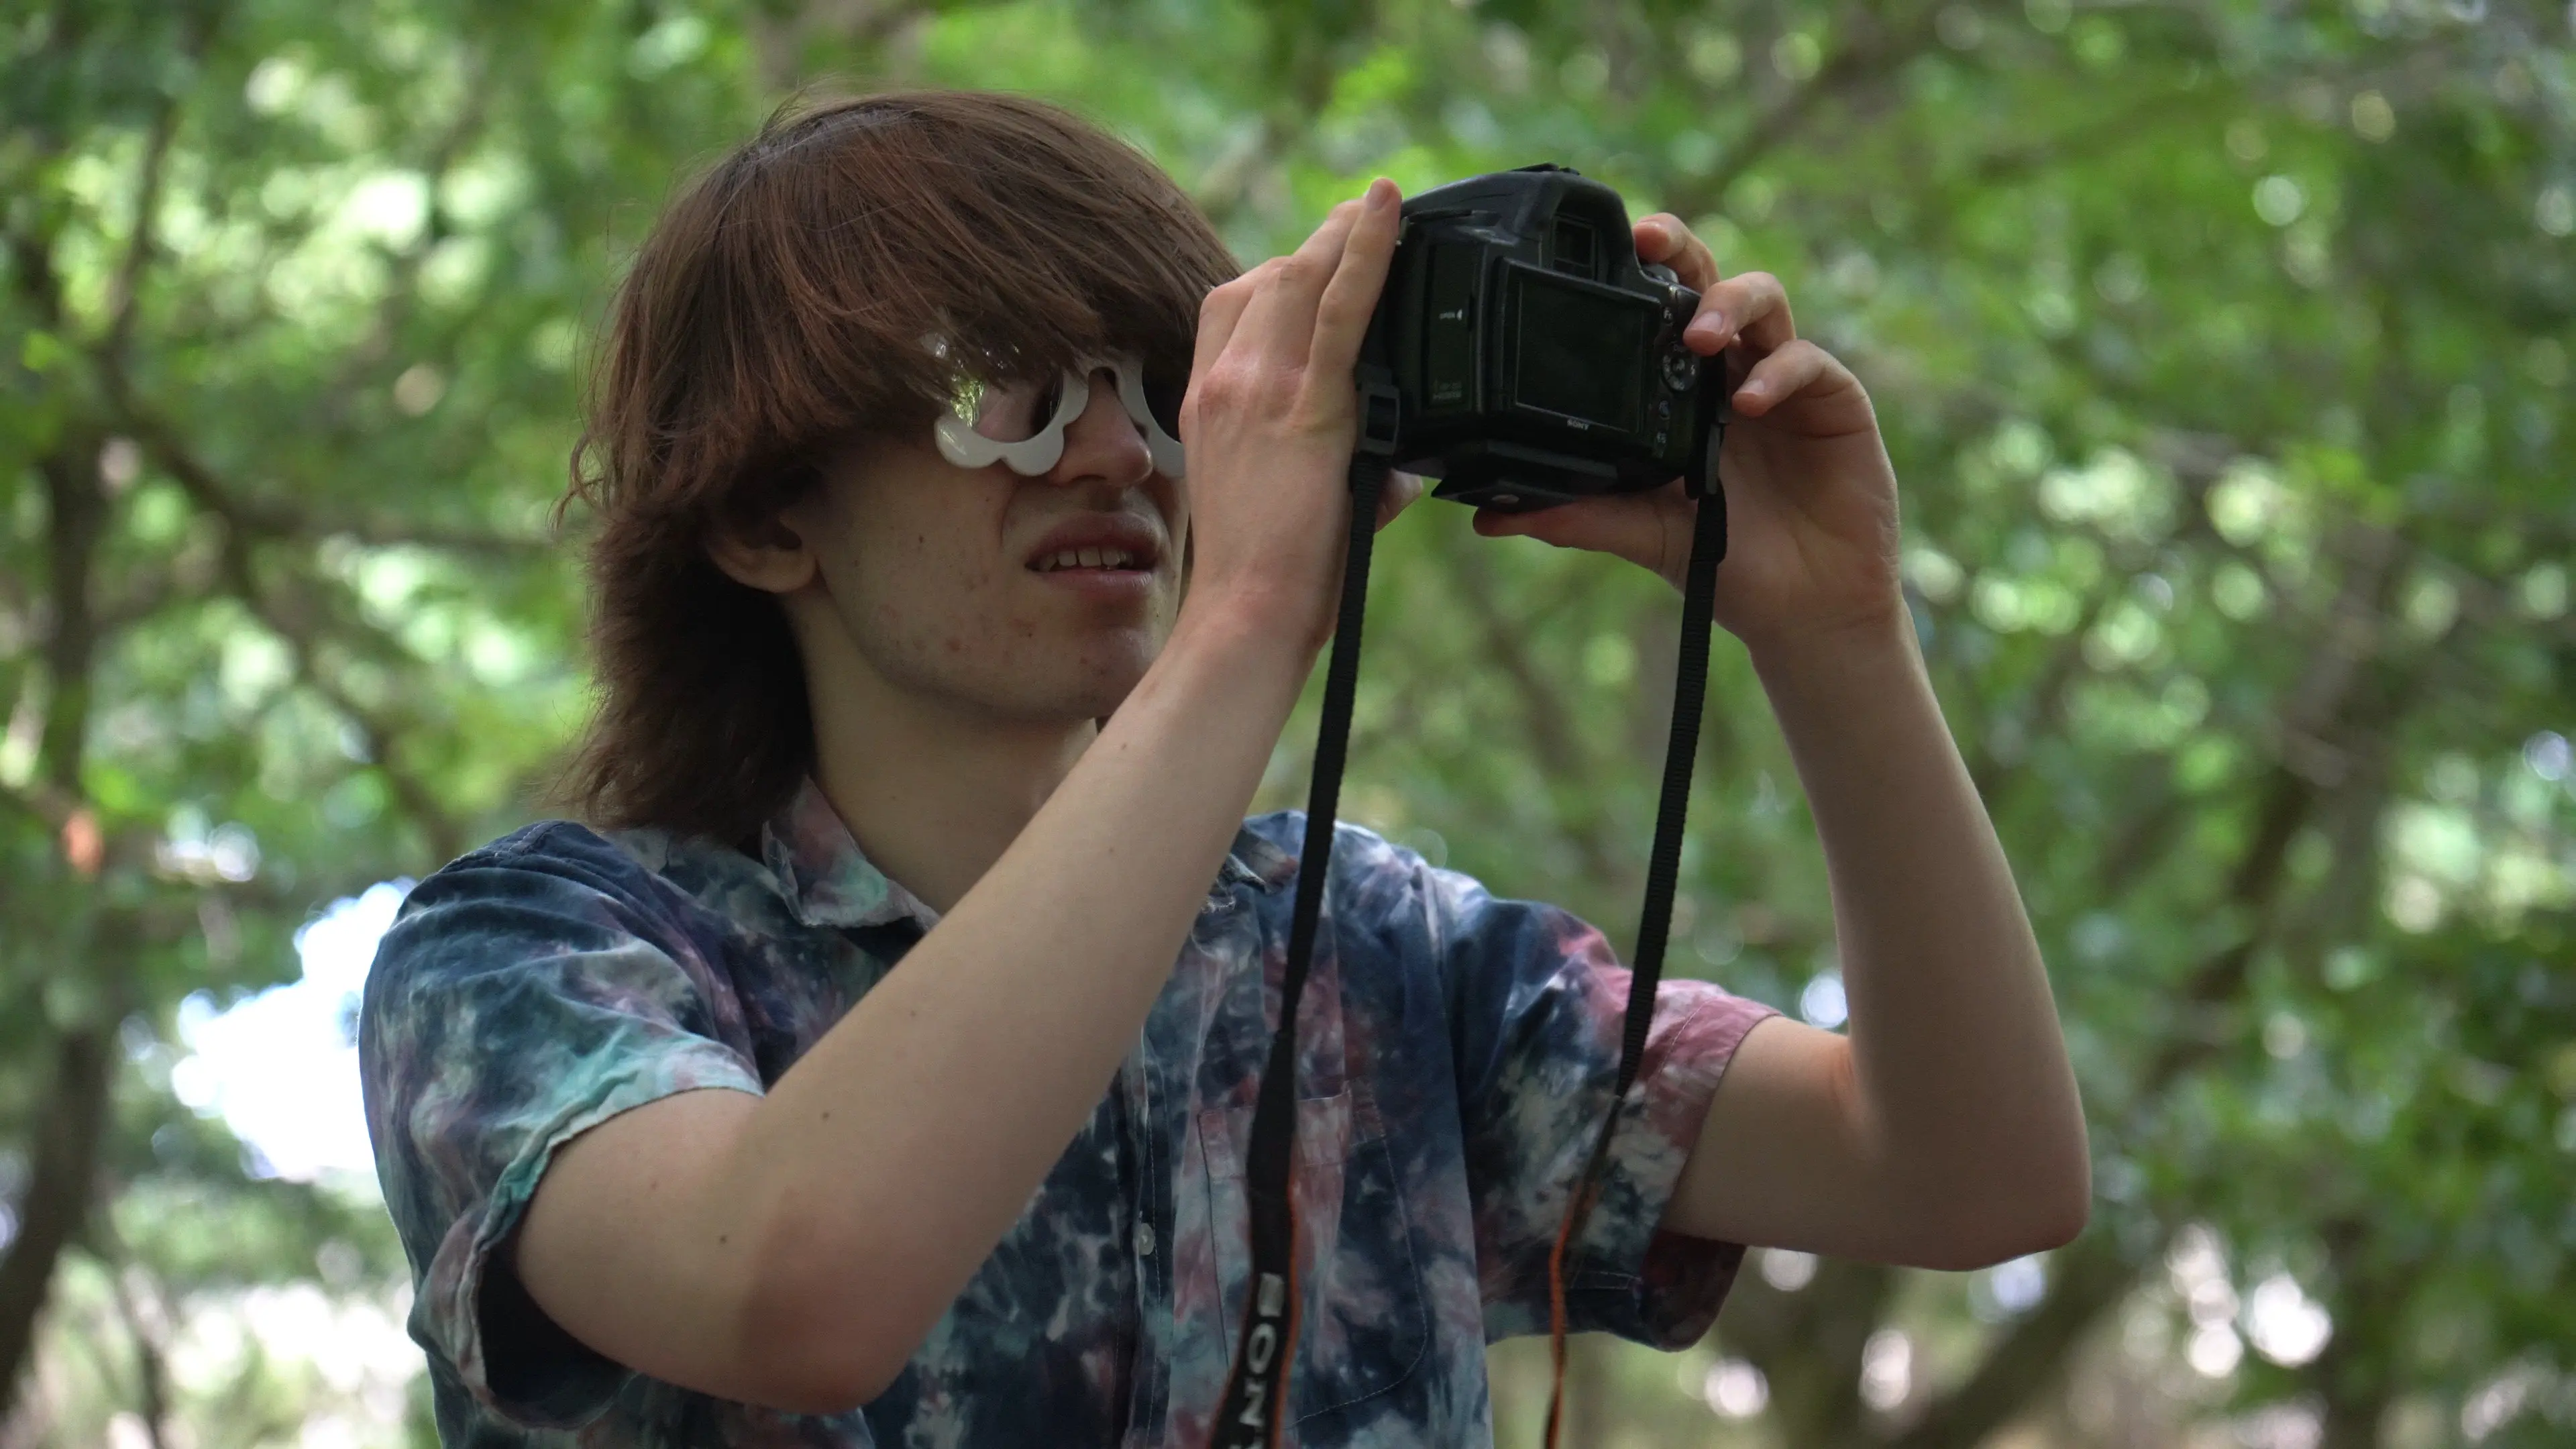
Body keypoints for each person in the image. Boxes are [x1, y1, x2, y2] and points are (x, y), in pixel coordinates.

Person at [358, 89, 2089, 1448]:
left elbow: (1972, 1174)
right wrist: (1252, 615)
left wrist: (1838, 632)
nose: (1116, 451)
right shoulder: (529, 964)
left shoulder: (1372, 954)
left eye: (1158, 388)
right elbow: (793, 1290)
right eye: (1001, 396)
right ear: (758, 513)